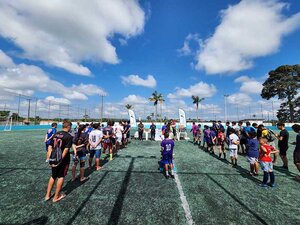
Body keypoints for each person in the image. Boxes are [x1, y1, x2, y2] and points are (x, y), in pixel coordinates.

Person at [45, 120, 73, 203]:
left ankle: (47, 195)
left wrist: (50, 158)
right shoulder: (69, 136)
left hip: (53, 157)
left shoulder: (55, 134)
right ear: (68, 127)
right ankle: (56, 196)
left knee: (53, 175)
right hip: (63, 160)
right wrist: (59, 160)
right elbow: (66, 150)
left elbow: (50, 147)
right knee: (61, 176)